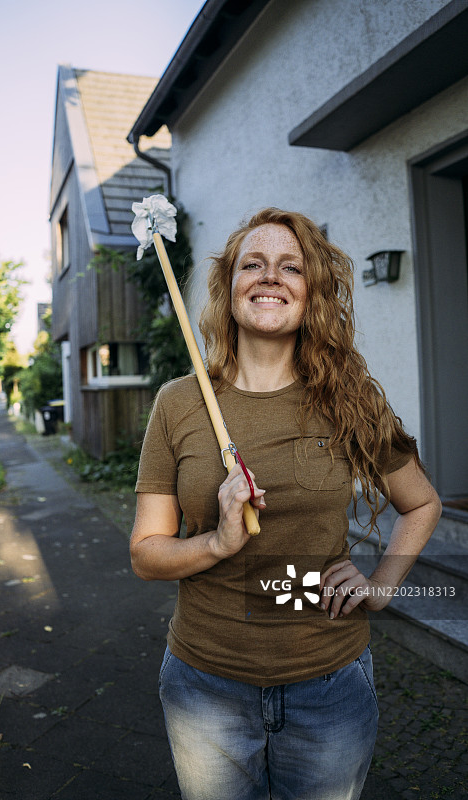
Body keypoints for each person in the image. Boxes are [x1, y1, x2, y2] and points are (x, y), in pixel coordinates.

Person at [130, 208, 442, 800]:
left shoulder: (348, 400)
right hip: (205, 685)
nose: (270, 276)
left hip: (329, 683)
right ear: (229, 287)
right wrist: (218, 542)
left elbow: (421, 503)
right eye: (254, 263)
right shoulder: (179, 404)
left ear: (312, 293)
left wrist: (382, 584)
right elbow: (147, 555)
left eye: (291, 266)